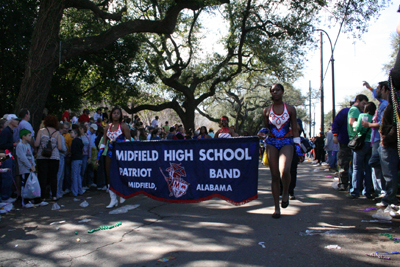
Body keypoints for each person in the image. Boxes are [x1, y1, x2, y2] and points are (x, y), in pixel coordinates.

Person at [262, 83, 300, 219]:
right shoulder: (266, 110)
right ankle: (276, 208)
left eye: (277, 90)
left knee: (285, 170)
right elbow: (266, 129)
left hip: (287, 142)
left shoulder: (290, 109)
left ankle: (285, 193)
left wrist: (298, 146)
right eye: (272, 90)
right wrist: (262, 134)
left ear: (282, 92)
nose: (275, 92)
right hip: (272, 143)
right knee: (274, 175)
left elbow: (295, 128)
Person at [96, 107, 131, 208]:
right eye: (114, 113)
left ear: (120, 115)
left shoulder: (124, 126)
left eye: (118, 113)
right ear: (111, 114)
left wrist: (118, 142)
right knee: (109, 176)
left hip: (120, 154)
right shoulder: (107, 126)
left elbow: (129, 141)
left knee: (120, 174)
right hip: (110, 154)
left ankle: (122, 192)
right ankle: (113, 199)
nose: (115, 115)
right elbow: (103, 143)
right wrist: (99, 156)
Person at [362, 81, 389, 197]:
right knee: (376, 165)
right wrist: (370, 88)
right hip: (376, 139)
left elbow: (382, 123)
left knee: (379, 165)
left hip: (380, 139)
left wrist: (369, 125)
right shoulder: (382, 103)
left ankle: (384, 192)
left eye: (378, 88)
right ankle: (381, 191)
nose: (376, 90)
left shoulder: (385, 105)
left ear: (384, 90)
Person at [348, 102, 376, 199]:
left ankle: (355, 190)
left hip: (361, 144)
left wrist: (355, 127)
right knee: (368, 169)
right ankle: (367, 191)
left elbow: (358, 128)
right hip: (371, 143)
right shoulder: (374, 117)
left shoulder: (362, 115)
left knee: (356, 168)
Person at [35, 115, 62, 203]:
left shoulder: (41, 131)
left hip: (42, 156)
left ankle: (43, 196)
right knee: (53, 176)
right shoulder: (57, 133)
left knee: (42, 176)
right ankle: (54, 195)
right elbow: (60, 147)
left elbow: (36, 144)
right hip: (54, 156)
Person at [0, 114, 20, 203]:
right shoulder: (6, 131)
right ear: (11, 121)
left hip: (8, 153)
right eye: (16, 120)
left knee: (9, 174)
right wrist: (14, 144)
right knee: (6, 175)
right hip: (6, 154)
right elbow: (2, 145)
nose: (18, 122)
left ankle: (6, 195)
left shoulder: (9, 131)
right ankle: (5, 197)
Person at [332, 103, 352, 191]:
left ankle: (354, 184)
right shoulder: (344, 112)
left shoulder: (362, 112)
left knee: (356, 165)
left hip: (358, 143)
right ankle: (343, 183)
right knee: (343, 163)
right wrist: (335, 135)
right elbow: (336, 123)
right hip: (344, 142)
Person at [16, 129, 36, 208]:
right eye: (29, 135)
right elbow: (22, 158)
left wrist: (33, 165)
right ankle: (24, 201)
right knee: (24, 184)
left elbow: (31, 155)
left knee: (29, 184)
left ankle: (29, 199)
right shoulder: (20, 146)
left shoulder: (28, 145)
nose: (30, 137)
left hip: (30, 168)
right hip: (24, 169)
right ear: (23, 137)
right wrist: (30, 166)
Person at [70, 128, 84, 197]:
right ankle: (80, 190)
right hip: (80, 158)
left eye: (72, 132)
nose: (71, 133)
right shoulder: (80, 141)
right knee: (78, 175)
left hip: (75, 159)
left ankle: (75, 191)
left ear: (76, 134)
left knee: (74, 175)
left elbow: (73, 150)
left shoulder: (74, 141)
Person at [56, 122, 68, 198]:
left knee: (61, 175)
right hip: (60, 156)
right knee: (59, 175)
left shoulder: (59, 136)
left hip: (60, 156)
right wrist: (66, 150)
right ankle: (57, 191)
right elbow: (62, 148)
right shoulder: (59, 136)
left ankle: (59, 190)